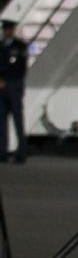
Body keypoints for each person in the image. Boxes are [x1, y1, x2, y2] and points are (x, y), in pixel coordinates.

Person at [0, 19, 26, 163]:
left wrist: (5, 79)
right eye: (5, 29)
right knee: (1, 122)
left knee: (18, 120)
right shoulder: (0, 46)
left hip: (14, 85)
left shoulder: (20, 46)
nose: (7, 32)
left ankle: (21, 152)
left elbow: (20, 68)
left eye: (9, 29)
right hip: (1, 88)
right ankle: (2, 152)